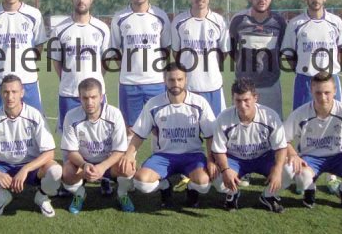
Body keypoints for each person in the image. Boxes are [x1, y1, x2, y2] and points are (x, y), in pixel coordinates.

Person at [0, 74, 62, 217]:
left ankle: (42, 197)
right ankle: (1, 196)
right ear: (1, 93)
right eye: (6, 92)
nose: (10, 97)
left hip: (31, 167)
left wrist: (26, 169)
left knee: (56, 171)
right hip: (1, 166)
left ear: (22, 93)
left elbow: (49, 153)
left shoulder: (35, 116)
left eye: (14, 92)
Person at [118, 63, 216, 209]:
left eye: (179, 79)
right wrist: (129, 154)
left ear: (186, 79)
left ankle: (191, 188)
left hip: (193, 155)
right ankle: (165, 186)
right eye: (171, 80)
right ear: (164, 80)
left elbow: (210, 135)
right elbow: (139, 134)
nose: (176, 84)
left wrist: (211, 160)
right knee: (141, 182)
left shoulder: (199, 103)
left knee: (204, 184)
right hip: (163, 156)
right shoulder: (153, 104)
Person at [284, 72, 342, 211]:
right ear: (311, 91)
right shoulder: (300, 113)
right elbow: (284, 138)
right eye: (318, 93)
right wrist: (293, 154)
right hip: (310, 158)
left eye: (327, 92)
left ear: (335, 91)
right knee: (297, 174)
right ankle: (310, 189)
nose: (323, 97)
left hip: (339, 156)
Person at [210, 78, 292, 213]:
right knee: (217, 176)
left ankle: (268, 196)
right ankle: (232, 194)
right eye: (238, 100)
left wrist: (277, 169)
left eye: (246, 100)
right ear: (233, 99)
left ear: (255, 98)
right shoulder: (223, 118)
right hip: (236, 159)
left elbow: (281, 147)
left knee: (289, 170)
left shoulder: (270, 116)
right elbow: (218, 150)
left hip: (263, 158)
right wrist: (225, 170)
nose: (242, 105)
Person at [60, 78, 134, 214]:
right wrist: (84, 165)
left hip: (108, 163)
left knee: (128, 167)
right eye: (85, 98)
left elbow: (119, 150)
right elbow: (71, 151)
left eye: (93, 97)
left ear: (101, 97)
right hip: (83, 163)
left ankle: (122, 194)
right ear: (79, 98)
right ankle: (80, 193)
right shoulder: (71, 116)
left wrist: (102, 167)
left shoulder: (114, 114)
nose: (89, 102)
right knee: (67, 173)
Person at [110, 0, 171, 131]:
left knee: (161, 129)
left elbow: (166, 48)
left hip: (156, 82)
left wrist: (160, 72)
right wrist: (127, 68)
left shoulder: (160, 16)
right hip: (129, 84)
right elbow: (115, 49)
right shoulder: (119, 18)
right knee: (130, 129)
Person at [48, 0, 112, 132]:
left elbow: (106, 60)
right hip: (69, 93)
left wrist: (95, 79)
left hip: (96, 94)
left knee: (98, 135)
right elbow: (56, 61)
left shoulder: (102, 28)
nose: (81, 0)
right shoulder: (59, 30)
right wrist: (68, 78)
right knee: (68, 137)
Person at [281, 0, 342, 111]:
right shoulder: (295, 24)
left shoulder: (336, 23)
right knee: (302, 120)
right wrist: (303, 69)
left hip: (330, 79)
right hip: (305, 81)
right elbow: (289, 54)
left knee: (334, 118)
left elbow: (341, 49)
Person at [171, 0, 230, 116]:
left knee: (214, 127)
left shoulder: (219, 21)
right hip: (188, 87)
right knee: (189, 127)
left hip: (213, 86)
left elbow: (224, 52)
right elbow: (176, 52)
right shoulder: (179, 22)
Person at [229, 0, 286, 118]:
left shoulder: (279, 22)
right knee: (241, 125)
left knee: (272, 125)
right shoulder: (238, 20)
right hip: (244, 87)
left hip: (271, 85)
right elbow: (231, 49)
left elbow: (282, 50)